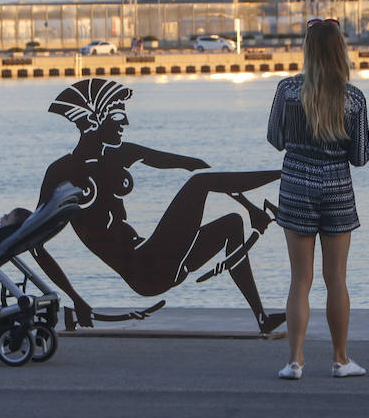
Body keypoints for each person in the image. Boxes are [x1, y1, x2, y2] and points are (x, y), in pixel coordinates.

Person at [32, 78, 285, 333]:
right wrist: (76, 297)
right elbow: (35, 244)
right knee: (199, 184)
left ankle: (262, 319)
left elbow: (196, 165)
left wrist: (249, 206)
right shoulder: (61, 172)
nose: (125, 124)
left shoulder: (118, 153)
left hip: (160, 262)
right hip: (144, 268)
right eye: (118, 116)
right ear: (95, 121)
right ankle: (283, 172)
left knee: (232, 223)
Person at [267, 18, 369, 380]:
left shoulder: (287, 91)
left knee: (300, 279)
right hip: (338, 188)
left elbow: (274, 139)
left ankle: (295, 361)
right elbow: (360, 156)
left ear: (308, 50)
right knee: (336, 279)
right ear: (340, 49)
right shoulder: (353, 97)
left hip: (296, 184)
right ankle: (341, 360)